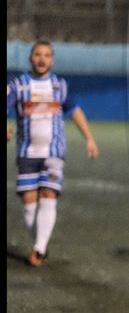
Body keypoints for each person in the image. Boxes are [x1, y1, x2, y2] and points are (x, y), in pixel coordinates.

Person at [7, 40, 99, 267]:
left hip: (53, 152)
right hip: (27, 153)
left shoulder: (60, 86)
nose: (42, 59)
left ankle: (38, 249)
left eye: (47, 55)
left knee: (48, 194)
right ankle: (41, 243)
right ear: (31, 58)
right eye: (38, 54)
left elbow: (74, 110)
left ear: (52, 60)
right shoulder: (19, 85)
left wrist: (89, 138)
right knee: (29, 203)